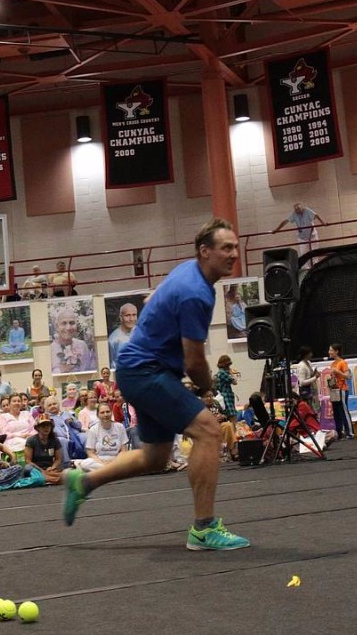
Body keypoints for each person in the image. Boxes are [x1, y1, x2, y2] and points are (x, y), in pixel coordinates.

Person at [62, 219, 249, 552]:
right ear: (205, 251)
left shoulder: (188, 271)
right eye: (226, 248)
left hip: (139, 370)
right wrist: (209, 390)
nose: (234, 254)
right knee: (209, 431)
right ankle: (204, 529)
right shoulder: (195, 293)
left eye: (235, 246)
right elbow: (194, 361)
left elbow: (152, 298)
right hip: (146, 372)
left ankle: (84, 481)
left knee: (156, 456)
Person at [74, 402, 130, 471]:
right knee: (85, 464)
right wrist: (102, 463)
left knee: (130, 461)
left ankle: (105, 471)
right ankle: (111, 470)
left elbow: (124, 450)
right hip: (99, 460)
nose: (105, 415)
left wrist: (115, 461)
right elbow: (90, 452)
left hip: (117, 459)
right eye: (102, 413)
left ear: (111, 413)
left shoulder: (120, 427)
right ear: (98, 415)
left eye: (107, 412)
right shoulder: (93, 429)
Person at [50, 305, 97, 374]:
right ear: (57, 327)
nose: (68, 328)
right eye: (64, 323)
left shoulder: (82, 345)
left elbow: (89, 370)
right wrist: (61, 370)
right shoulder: (51, 349)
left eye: (72, 323)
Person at [324, 345, 353, 440]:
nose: (329, 352)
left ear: (336, 351)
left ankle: (350, 432)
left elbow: (348, 376)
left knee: (344, 410)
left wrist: (338, 372)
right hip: (334, 390)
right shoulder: (333, 364)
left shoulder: (342, 363)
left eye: (331, 350)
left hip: (342, 389)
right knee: (336, 412)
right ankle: (339, 433)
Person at [25, 416, 65, 485]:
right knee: (28, 468)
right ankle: (53, 479)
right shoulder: (31, 440)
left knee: (65, 470)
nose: (46, 428)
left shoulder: (55, 440)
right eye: (43, 426)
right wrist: (41, 470)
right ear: (37, 428)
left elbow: (58, 459)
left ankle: (48, 479)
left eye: (48, 425)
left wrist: (52, 467)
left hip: (50, 469)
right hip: (36, 469)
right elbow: (28, 461)